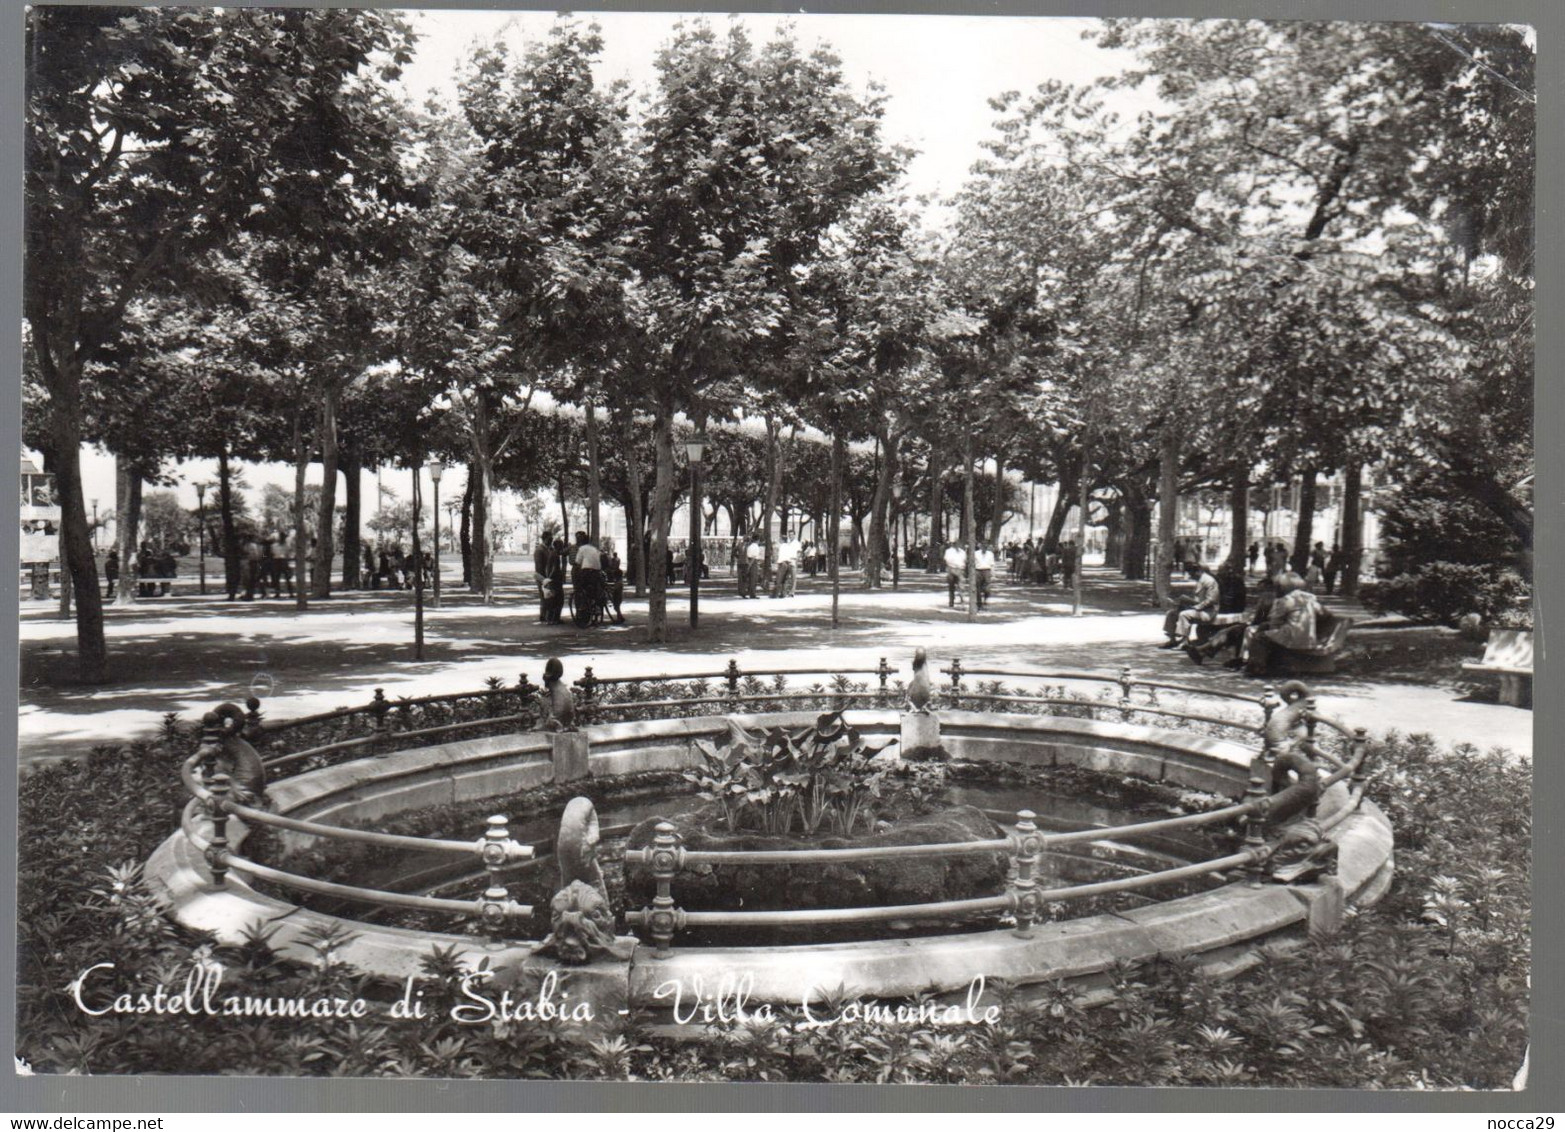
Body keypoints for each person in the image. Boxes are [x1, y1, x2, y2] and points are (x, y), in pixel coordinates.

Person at [1242, 572, 1323, 674]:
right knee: (1264, 627)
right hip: (1309, 638)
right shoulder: (1311, 598)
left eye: (1279, 586)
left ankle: (1256, 667)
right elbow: (1322, 613)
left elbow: (1274, 623)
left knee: (1260, 637)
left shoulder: (1285, 600)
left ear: (1285, 587)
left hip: (1292, 638)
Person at [1160, 561, 1220, 649]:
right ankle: (1172, 639)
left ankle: (1185, 641)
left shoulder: (1209, 581)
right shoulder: (1199, 580)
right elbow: (1197, 599)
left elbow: (1212, 599)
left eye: (1191, 574)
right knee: (1171, 613)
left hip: (1208, 611)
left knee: (1184, 614)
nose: (1191, 576)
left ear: (1198, 571)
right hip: (1197, 608)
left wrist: (1197, 607)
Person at [602, 537, 626, 624]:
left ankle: (620, 618)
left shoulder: (618, 583)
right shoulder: (620, 582)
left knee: (617, 608)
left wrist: (609, 588)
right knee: (617, 608)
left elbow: (614, 589)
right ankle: (620, 617)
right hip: (618, 598)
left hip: (617, 598)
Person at [773, 531, 799, 598]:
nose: (790, 536)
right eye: (789, 535)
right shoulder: (788, 544)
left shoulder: (796, 543)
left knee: (793, 578)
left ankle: (791, 592)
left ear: (794, 535)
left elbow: (798, 553)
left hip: (793, 560)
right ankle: (784, 592)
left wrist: (796, 561)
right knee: (785, 578)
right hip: (788, 561)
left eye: (792, 535)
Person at [943, 541, 966, 608]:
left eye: (959, 544)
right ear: (954, 544)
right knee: (951, 586)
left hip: (960, 570)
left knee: (961, 587)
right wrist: (955, 565)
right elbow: (947, 560)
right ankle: (951, 601)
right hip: (952, 569)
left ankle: (962, 602)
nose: (958, 545)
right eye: (957, 544)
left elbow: (964, 560)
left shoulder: (962, 552)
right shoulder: (949, 551)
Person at [974, 542, 995, 608]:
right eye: (983, 546)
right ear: (981, 547)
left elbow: (992, 564)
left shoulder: (990, 554)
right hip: (978, 571)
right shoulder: (976, 553)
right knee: (978, 587)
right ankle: (979, 603)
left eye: (986, 547)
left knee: (987, 588)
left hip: (987, 570)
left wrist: (993, 573)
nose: (984, 548)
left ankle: (985, 598)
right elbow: (973, 563)